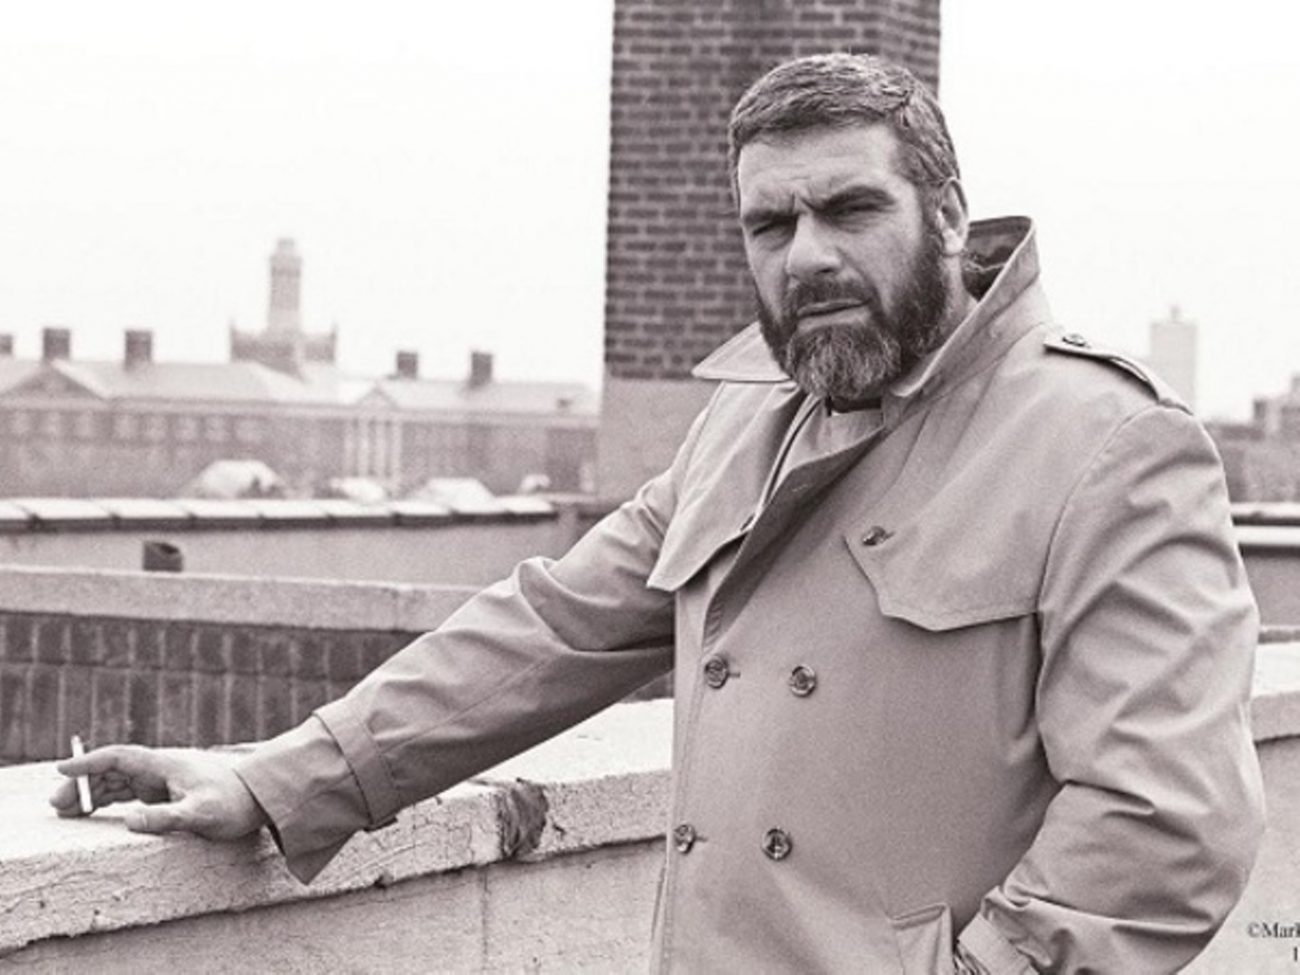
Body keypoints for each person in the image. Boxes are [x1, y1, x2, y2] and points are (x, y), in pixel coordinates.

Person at [52, 53, 1264, 973]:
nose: (806, 257)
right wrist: (279, 781)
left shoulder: (1106, 442)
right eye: (770, 225)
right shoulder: (745, 421)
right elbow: (551, 627)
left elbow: (1165, 822)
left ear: (946, 217)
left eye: (850, 210)